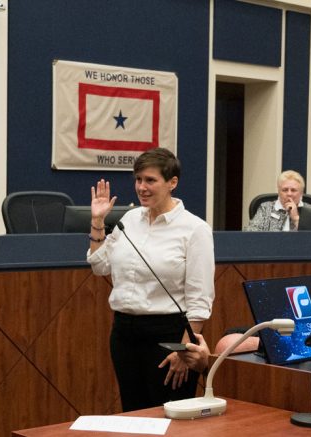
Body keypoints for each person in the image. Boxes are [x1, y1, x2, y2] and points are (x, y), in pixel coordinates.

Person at [87, 147, 215, 412]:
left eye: (150, 180)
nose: (141, 187)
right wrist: (98, 221)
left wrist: (184, 350)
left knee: (169, 418)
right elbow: (100, 266)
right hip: (124, 334)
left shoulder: (195, 229)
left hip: (169, 337)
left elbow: (200, 299)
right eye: (138, 180)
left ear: (172, 182)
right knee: (134, 415)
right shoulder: (130, 219)